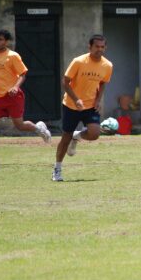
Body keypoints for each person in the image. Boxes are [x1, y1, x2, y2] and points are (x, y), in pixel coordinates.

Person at [0, 29, 51, 165]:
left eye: (0, 39)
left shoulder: (13, 56)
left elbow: (23, 74)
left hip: (12, 97)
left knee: (19, 125)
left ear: (6, 41)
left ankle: (39, 129)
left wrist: (15, 87)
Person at [53, 34, 113, 182]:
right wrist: (76, 99)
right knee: (65, 138)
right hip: (71, 105)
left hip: (90, 105)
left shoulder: (107, 65)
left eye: (102, 47)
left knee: (94, 133)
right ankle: (57, 169)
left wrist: (98, 100)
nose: (99, 49)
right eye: (96, 46)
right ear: (90, 47)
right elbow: (65, 82)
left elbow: (103, 83)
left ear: (105, 47)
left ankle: (77, 136)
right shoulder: (78, 61)